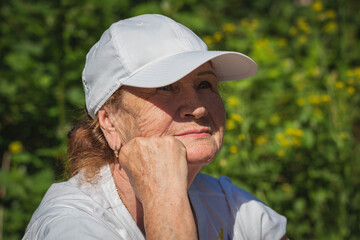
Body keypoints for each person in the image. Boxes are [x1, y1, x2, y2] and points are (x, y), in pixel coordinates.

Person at [23, 14, 287, 240]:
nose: (198, 108)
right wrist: (164, 200)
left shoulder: (229, 205)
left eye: (205, 84)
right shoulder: (71, 225)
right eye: (165, 87)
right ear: (109, 122)